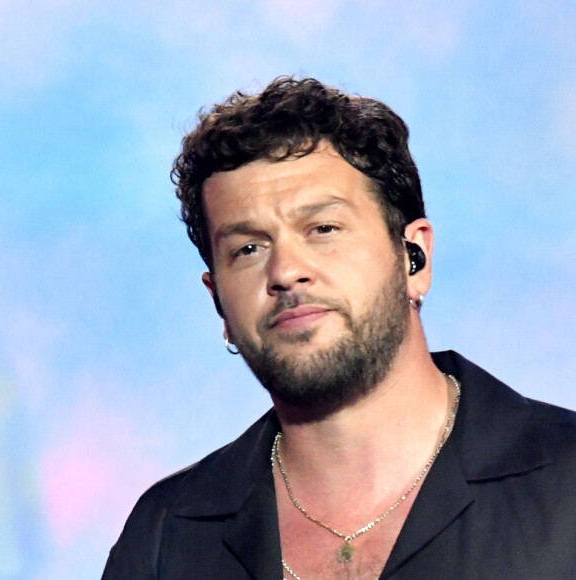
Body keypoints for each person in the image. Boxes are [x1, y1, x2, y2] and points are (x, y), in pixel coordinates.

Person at [102, 77, 576, 580]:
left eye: (323, 229)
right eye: (248, 248)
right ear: (218, 300)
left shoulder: (564, 482)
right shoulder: (166, 535)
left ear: (414, 258)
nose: (285, 271)